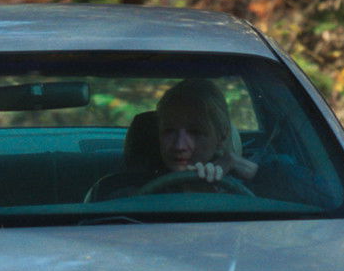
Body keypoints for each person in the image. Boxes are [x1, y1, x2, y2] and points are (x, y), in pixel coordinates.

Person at [85, 78, 265, 202]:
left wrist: (238, 163)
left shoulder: (253, 190)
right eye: (169, 131)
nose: (179, 146)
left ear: (222, 136)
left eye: (195, 132)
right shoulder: (120, 192)